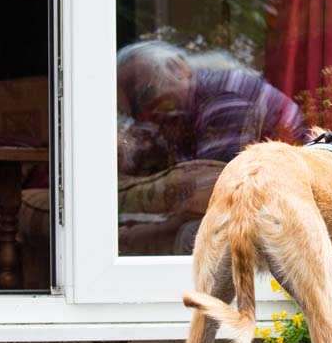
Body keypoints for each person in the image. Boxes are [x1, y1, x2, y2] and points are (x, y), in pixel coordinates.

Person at [115, 41, 309, 254]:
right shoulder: (182, 109)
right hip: (260, 208)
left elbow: (214, 194)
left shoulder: (223, 100)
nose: (143, 115)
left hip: (287, 218)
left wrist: (144, 230)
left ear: (178, 69)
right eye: (131, 113)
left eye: (144, 95)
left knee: (196, 235)